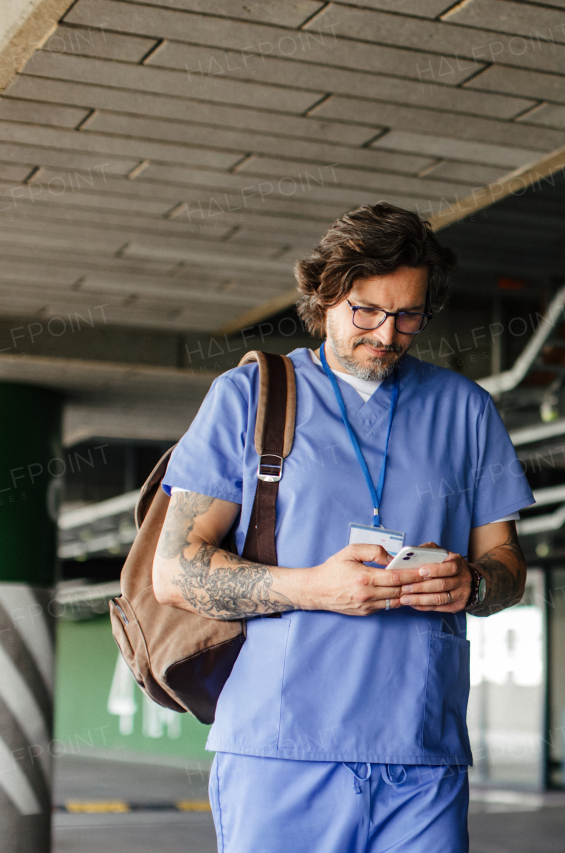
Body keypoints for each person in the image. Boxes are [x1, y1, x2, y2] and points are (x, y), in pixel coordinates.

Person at [151, 202, 534, 853]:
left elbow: (508, 564)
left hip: (422, 752)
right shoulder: (248, 397)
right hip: (281, 753)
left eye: (408, 313)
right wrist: (312, 587)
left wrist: (472, 584)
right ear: (324, 296)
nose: (387, 333)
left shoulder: (466, 410)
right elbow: (174, 570)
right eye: (366, 309)